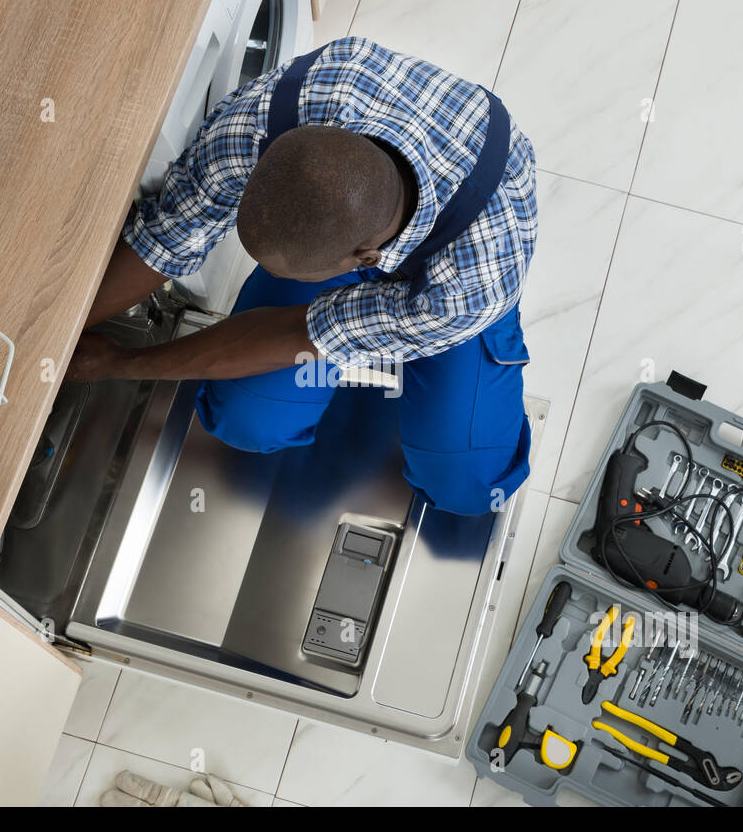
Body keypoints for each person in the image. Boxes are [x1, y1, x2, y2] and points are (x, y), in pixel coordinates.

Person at [69, 37, 537, 516]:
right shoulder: (264, 119)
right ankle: (350, 347)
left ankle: (439, 365)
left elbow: (295, 331)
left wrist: (122, 363)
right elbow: (166, 240)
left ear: (364, 258)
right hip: (357, 229)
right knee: (246, 418)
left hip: (444, 280)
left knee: (466, 487)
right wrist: (55, 338)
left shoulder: (469, 283)